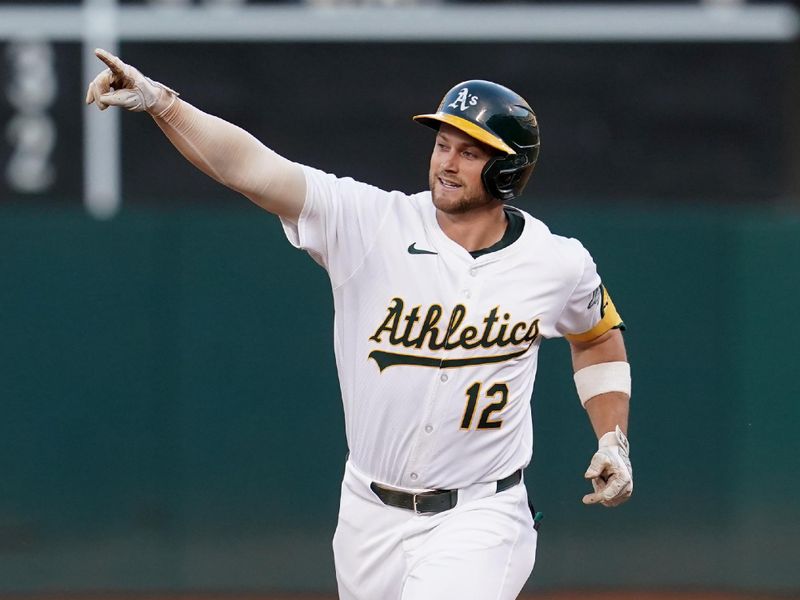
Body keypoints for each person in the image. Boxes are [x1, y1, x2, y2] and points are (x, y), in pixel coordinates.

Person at [86, 49, 633, 600]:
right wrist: (163, 104)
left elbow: (597, 337)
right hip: (367, 516)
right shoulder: (371, 223)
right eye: (443, 144)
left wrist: (612, 438)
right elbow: (251, 168)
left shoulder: (557, 262)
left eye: (470, 153)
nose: (446, 162)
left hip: (482, 514)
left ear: (509, 169)